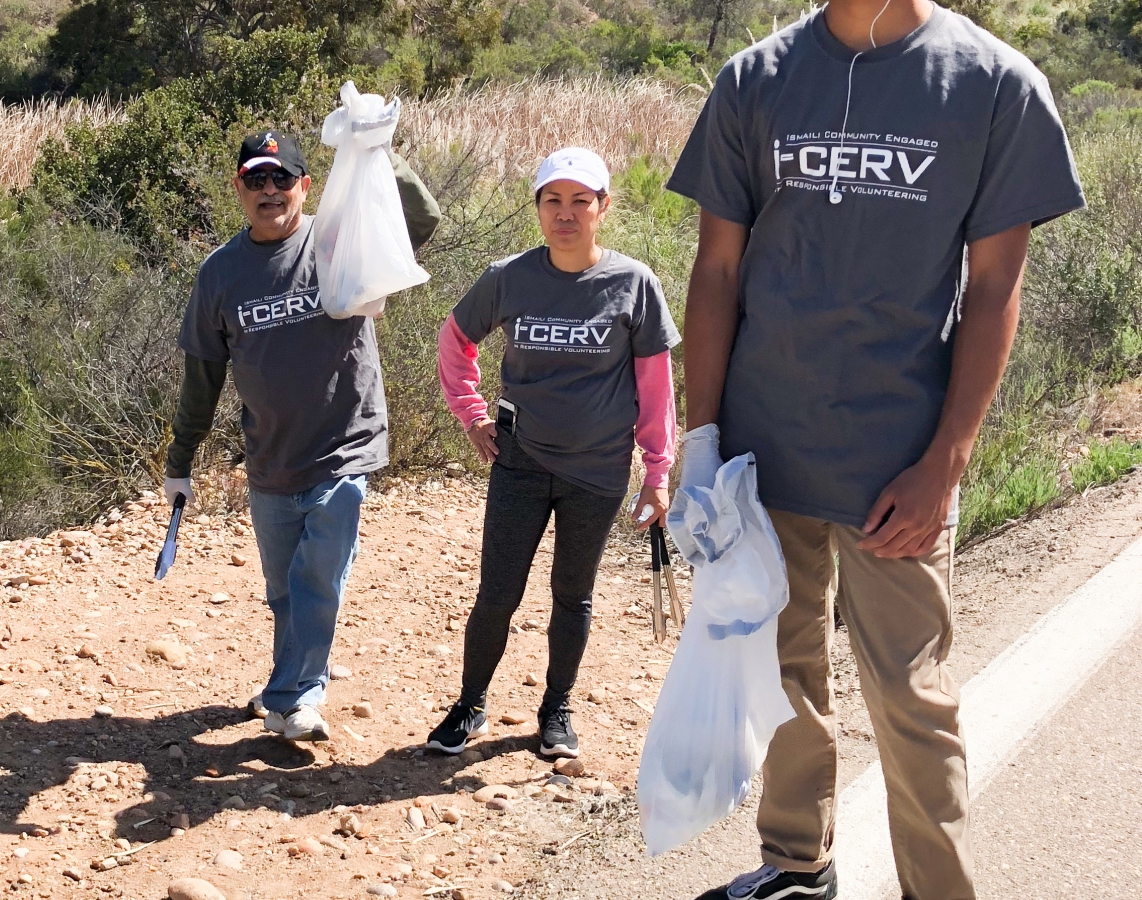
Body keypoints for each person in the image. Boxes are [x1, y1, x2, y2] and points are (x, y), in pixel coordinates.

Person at [667, 0, 1085, 897]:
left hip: (896, 460)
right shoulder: (757, 76)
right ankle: (795, 865)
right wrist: (699, 440)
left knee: (910, 699)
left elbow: (994, 285)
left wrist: (947, 463)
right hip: (761, 453)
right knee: (781, 677)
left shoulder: (996, 85)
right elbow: (718, 270)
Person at [163, 130, 441, 743]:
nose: (269, 191)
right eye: (256, 180)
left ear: (304, 186)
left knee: (318, 571)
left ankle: (296, 696)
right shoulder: (220, 274)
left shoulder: (341, 243)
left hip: (346, 443)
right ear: (239, 188)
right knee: (285, 588)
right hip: (271, 456)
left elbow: (421, 217)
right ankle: (286, 685)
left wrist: (373, 149)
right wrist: (180, 461)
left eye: (281, 178)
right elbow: (202, 377)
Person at [427, 147, 681, 759]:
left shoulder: (634, 284)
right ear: (538, 208)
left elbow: (656, 387)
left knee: (574, 594)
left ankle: (556, 709)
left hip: (597, 470)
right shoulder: (508, 277)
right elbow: (455, 339)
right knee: (498, 592)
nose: (565, 214)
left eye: (580, 201)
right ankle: (470, 706)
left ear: (603, 207)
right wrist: (472, 414)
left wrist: (657, 472)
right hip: (521, 459)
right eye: (552, 201)